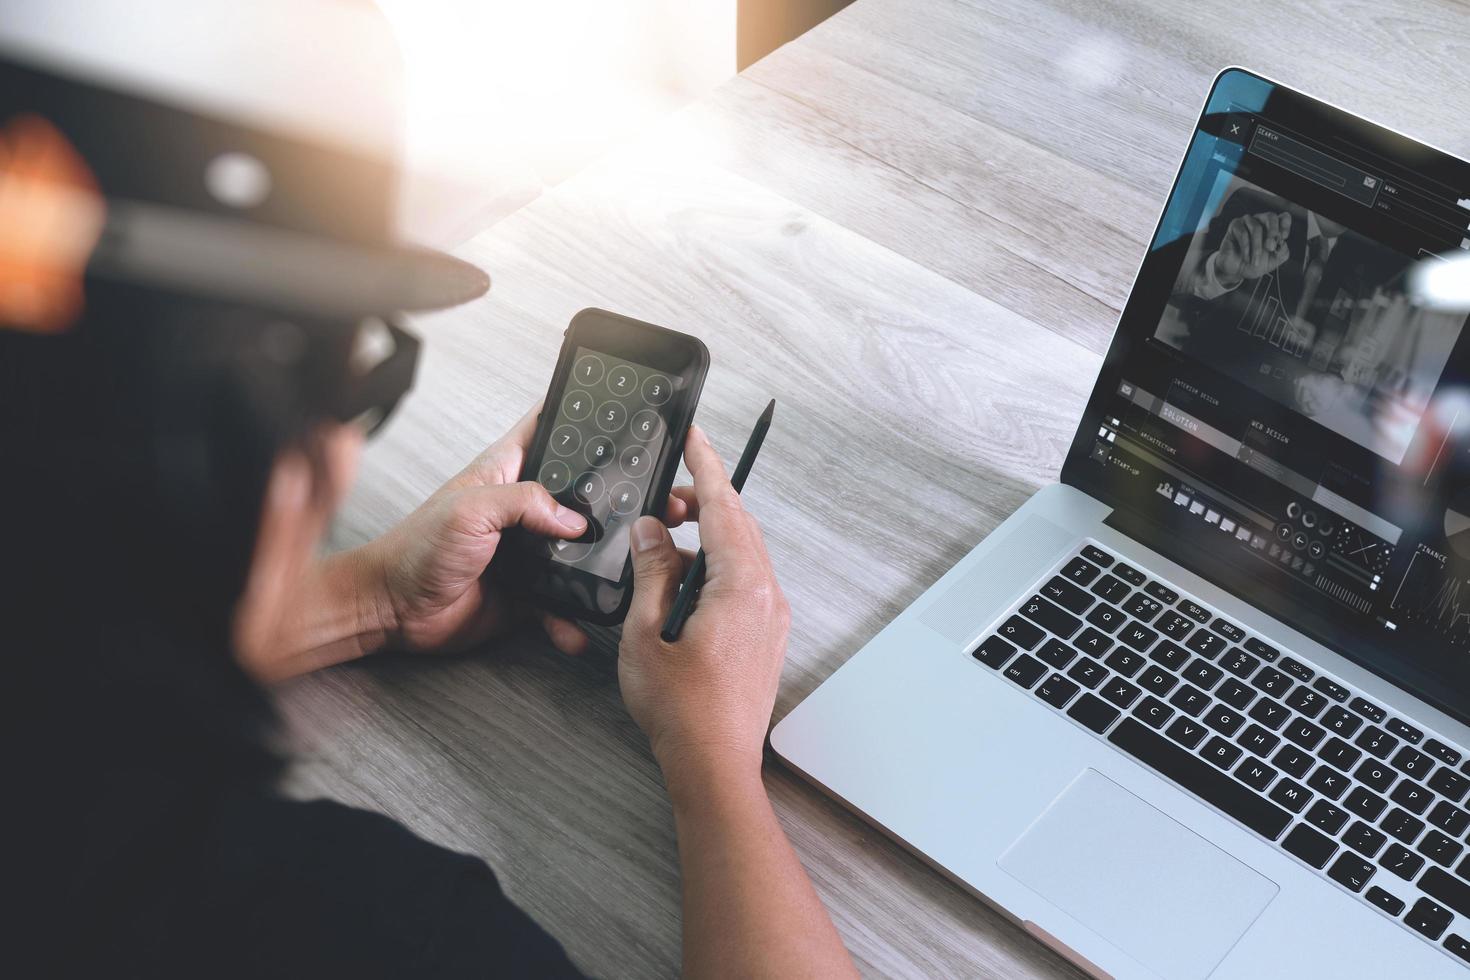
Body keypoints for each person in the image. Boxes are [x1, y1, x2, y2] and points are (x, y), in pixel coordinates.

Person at [2, 29, 856, 980]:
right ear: (282, 458)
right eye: (362, 373)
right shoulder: (346, 932)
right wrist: (715, 765)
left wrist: (370, 599)